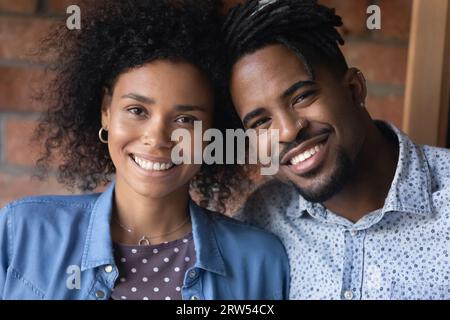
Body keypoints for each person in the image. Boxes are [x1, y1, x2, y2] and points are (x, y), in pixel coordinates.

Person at [0, 0, 289, 300]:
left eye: (185, 119)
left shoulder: (260, 261)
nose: (157, 138)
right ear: (106, 111)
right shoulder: (21, 233)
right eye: (137, 110)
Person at [222, 0, 450, 300]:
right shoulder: (260, 221)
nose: (289, 131)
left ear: (354, 89)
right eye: (261, 121)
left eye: (302, 96)